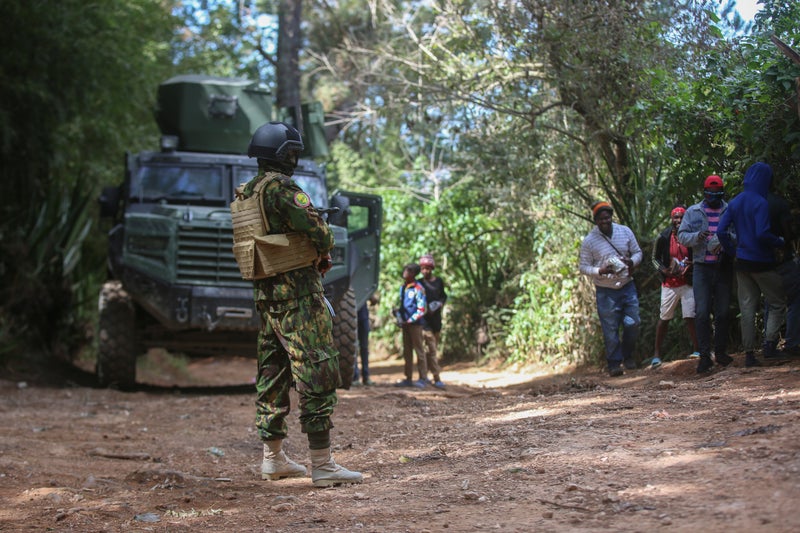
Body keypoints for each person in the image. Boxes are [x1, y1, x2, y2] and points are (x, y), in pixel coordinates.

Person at [232, 121, 362, 487]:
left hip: (268, 298)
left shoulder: (248, 192)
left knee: (272, 373)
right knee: (317, 368)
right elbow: (319, 231)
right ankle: (322, 464)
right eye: (291, 152)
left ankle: (273, 459)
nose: (294, 158)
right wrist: (322, 247)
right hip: (299, 296)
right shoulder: (282, 189)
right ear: (279, 154)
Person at [717, 162, 786, 367]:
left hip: (742, 262)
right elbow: (762, 233)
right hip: (762, 261)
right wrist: (779, 241)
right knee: (777, 302)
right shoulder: (760, 202)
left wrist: (732, 251)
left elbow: (721, 231)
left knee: (747, 307)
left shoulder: (735, 202)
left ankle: (749, 355)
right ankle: (770, 345)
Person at [677, 175, 735, 373]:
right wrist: (697, 237)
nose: (713, 199)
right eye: (710, 195)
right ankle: (704, 356)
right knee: (701, 313)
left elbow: (738, 234)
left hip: (723, 266)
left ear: (722, 194)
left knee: (722, 312)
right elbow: (682, 236)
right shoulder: (693, 212)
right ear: (704, 193)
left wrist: (725, 239)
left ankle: (720, 352)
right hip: (701, 267)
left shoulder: (729, 209)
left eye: (717, 195)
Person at [578, 201, 643, 377]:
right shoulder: (589, 241)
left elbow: (638, 253)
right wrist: (600, 271)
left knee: (633, 322)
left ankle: (628, 355)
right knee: (610, 329)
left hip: (627, 285)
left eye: (607, 217)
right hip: (605, 290)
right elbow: (583, 267)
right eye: (600, 219)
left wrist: (632, 262)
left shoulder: (625, 231)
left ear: (611, 217)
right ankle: (614, 363)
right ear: (595, 221)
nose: (604, 221)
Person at [650, 205, 700, 368]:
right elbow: (654, 258)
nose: (678, 221)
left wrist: (691, 265)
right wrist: (664, 270)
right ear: (671, 219)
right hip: (669, 284)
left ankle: (698, 350)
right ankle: (657, 355)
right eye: (676, 218)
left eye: (681, 218)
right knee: (664, 318)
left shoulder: (691, 235)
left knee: (690, 316)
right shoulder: (664, 236)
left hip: (687, 282)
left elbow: (698, 254)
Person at [765, 188, 800, 356]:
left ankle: (768, 343)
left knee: (771, 301)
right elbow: (789, 231)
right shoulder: (779, 204)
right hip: (783, 257)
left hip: (762, 260)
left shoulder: (754, 203)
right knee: (795, 300)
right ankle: (792, 342)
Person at [395, 263, 428, 388]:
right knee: (407, 351)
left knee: (419, 350)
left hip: (415, 325)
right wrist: (398, 314)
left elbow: (421, 309)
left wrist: (410, 320)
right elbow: (403, 306)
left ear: (414, 274)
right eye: (405, 269)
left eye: (408, 271)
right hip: (405, 325)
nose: (405, 272)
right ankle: (408, 378)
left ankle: (423, 378)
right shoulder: (403, 288)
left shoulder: (418, 288)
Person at [418, 254, 447, 388]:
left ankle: (428, 375)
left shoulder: (439, 282)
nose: (425, 271)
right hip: (424, 322)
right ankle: (435, 377)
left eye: (427, 269)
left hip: (436, 321)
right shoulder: (419, 283)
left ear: (432, 269)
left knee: (432, 350)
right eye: (423, 269)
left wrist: (439, 304)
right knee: (430, 350)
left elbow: (443, 296)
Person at [352, 297, 376, 386]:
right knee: (353, 348)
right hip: (351, 317)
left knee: (364, 347)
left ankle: (366, 376)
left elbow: (373, 298)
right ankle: (355, 377)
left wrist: (372, 297)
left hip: (363, 317)